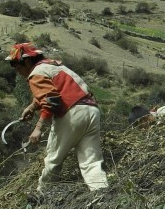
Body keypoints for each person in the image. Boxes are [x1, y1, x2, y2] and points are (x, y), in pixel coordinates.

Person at [7, 43, 109, 192]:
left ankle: (42, 196)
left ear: (27, 62)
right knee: (91, 162)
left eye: (18, 67)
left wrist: (38, 128)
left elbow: (51, 100)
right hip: (91, 110)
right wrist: (32, 107)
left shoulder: (35, 73)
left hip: (72, 114)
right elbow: (56, 89)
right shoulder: (54, 65)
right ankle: (101, 193)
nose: (19, 72)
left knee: (53, 160)